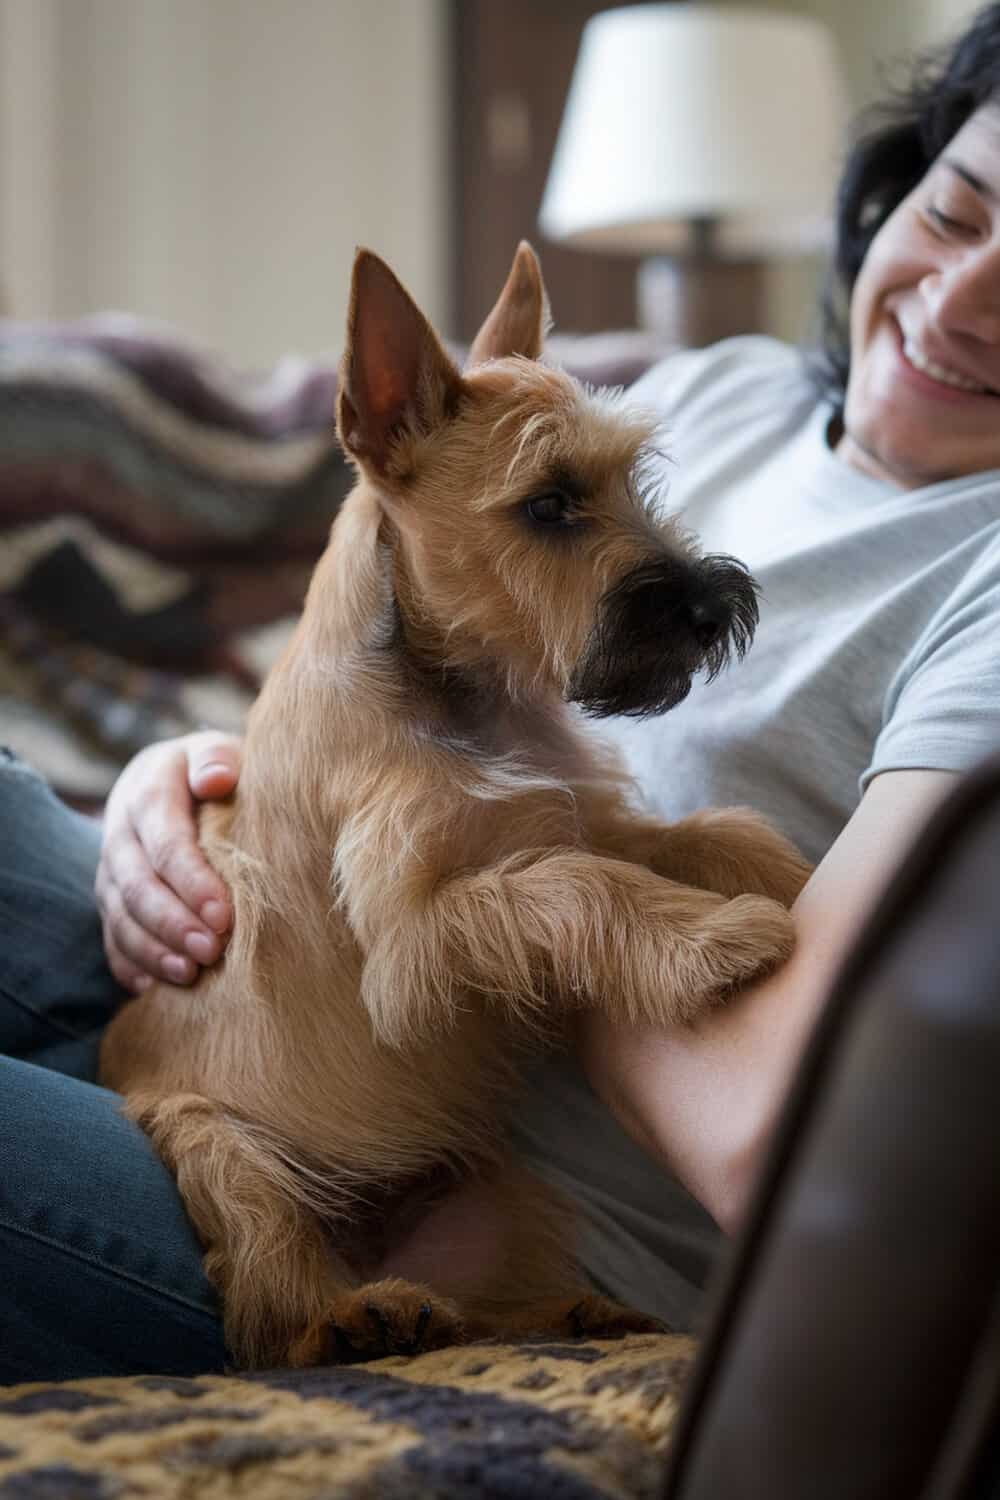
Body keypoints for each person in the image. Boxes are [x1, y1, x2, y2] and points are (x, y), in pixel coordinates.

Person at [4, 3, 1000, 1382]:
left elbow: (777, 1132)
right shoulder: (732, 390)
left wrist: (578, 900)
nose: (962, 297)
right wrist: (193, 781)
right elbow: (411, 665)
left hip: (458, 1208)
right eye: (957, 213)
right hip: (240, 989)